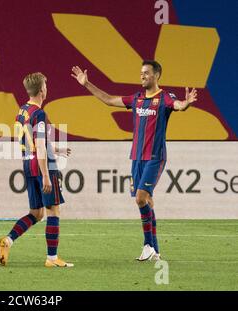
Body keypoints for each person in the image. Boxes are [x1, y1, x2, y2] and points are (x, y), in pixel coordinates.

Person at [71, 61, 197, 260]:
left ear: (157, 75)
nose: (142, 76)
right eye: (141, 73)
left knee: (140, 198)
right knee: (147, 200)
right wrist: (87, 84)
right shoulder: (136, 99)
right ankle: (155, 249)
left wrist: (186, 103)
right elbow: (110, 100)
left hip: (155, 157)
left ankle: (147, 245)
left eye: (146, 73)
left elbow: (179, 105)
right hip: (136, 157)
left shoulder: (164, 97)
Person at [0, 72, 73, 267]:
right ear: (41, 91)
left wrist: (58, 148)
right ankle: (52, 258)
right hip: (41, 165)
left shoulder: (22, 111)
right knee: (53, 211)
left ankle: (8, 240)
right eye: (46, 86)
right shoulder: (39, 114)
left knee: (36, 213)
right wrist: (46, 175)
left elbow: (30, 141)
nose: (47, 89)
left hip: (27, 163)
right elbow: (39, 145)